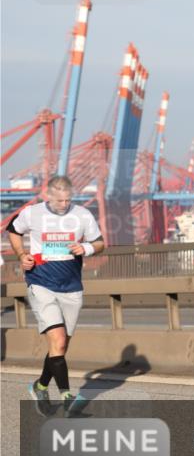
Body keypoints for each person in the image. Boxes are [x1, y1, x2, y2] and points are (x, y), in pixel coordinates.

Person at [7, 176, 105, 415]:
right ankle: (68, 397)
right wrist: (21, 255)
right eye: (59, 200)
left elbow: (100, 242)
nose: (64, 204)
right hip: (41, 283)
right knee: (58, 340)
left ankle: (40, 386)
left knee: (59, 347)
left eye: (68, 200)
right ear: (47, 195)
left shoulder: (82, 215)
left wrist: (87, 248)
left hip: (71, 287)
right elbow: (13, 231)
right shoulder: (32, 213)